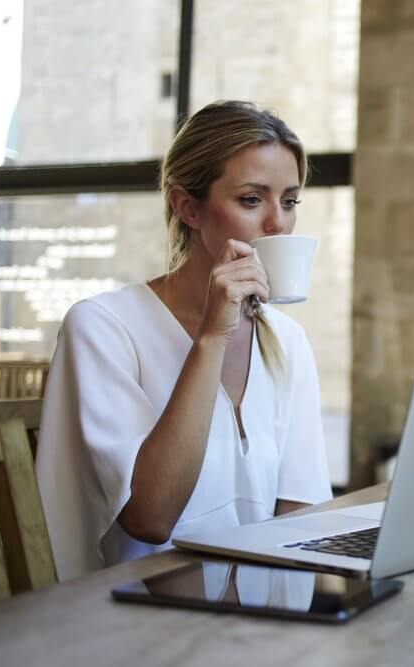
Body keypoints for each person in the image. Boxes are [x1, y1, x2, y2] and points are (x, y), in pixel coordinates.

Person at [36, 101, 332, 581]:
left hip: (249, 632)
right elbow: (150, 519)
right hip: (127, 626)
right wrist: (213, 336)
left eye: (290, 200)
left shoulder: (288, 341)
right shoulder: (101, 327)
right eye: (252, 199)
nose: (278, 223)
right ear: (187, 206)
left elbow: (301, 514)